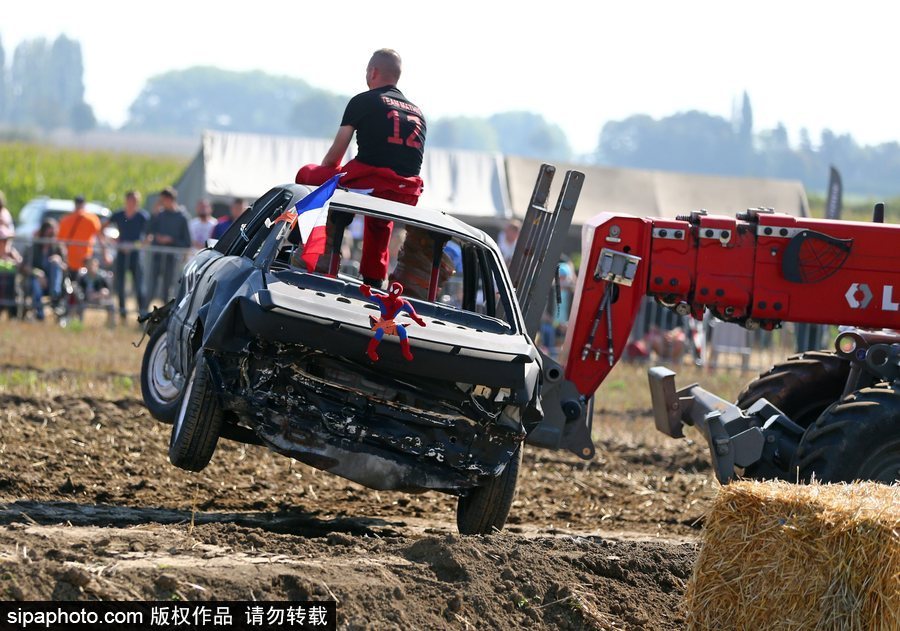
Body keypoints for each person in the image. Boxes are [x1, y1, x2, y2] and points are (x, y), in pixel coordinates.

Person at [296, 48, 426, 286]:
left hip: (372, 182)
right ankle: (374, 279)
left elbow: (333, 158)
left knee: (308, 173)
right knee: (380, 219)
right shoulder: (418, 112)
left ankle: (307, 241)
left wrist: (328, 186)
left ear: (373, 72)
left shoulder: (363, 101)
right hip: (406, 192)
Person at [106, 190, 150, 321]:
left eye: (135, 201)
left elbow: (149, 236)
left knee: (139, 286)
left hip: (135, 255)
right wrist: (114, 242)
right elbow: (102, 228)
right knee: (120, 286)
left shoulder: (142, 216)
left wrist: (136, 245)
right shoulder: (118, 215)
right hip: (121, 254)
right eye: (130, 200)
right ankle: (122, 314)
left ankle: (142, 316)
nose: (132, 203)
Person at [146, 187, 191, 304]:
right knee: (151, 288)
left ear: (170, 199)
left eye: (163, 200)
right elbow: (147, 230)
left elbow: (186, 242)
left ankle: (165, 320)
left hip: (172, 261)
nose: (161, 203)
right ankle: (144, 315)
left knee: (167, 291)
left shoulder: (182, 217)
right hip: (157, 258)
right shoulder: (159, 215)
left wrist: (171, 240)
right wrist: (154, 214)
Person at [21, 219, 66, 321]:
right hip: (35, 281)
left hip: (53, 283)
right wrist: (37, 273)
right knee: (35, 283)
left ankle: (55, 297)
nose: (50, 237)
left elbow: (66, 268)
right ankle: (40, 314)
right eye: (48, 234)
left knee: (55, 263)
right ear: (43, 233)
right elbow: (24, 266)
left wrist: (59, 262)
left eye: (52, 234)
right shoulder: (33, 248)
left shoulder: (58, 248)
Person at [58, 195, 103, 275]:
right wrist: (105, 253)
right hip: (85, 259)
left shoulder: (65, 219)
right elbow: (99, 237)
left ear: (75, 204)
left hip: (68, 258)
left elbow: (59, 240)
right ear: (84, 204)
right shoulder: (91, 219)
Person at [0, 224, 21, 318]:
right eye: (3, 240)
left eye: (7, 240)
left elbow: (20, 262)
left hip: (10, 287)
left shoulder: (11, 252)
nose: (5, 242)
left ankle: (13, 315)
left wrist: (10, 261)